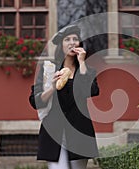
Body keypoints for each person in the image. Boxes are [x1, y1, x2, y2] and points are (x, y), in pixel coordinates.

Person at [29, 25, 99, 169]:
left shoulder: (86, 70)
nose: (72, 42)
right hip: (54, 131)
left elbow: (91, 91)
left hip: (80, 131)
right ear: (61, 45)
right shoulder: (48, 69)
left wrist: (82, 62)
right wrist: (52, 88)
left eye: (75, 39)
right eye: (67, 39)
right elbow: (35, 101)